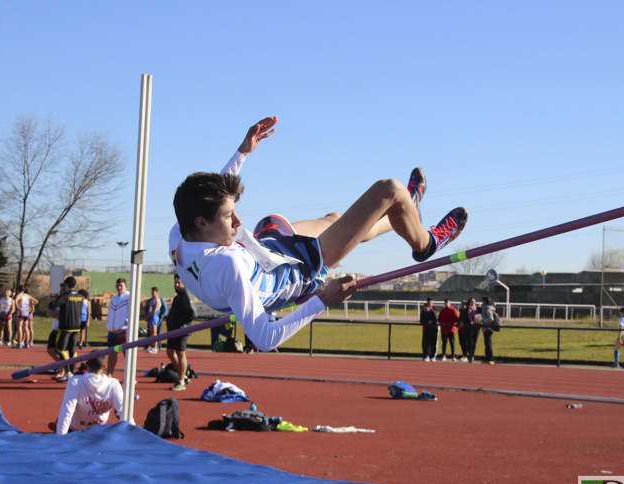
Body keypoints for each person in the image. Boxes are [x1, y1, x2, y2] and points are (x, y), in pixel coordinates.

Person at [168, 116, 468, 353]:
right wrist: (322, 300)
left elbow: (214, 192)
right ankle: (426, 242)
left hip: (267, 248)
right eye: (228, 217)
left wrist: (242, 152)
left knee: (335, 219)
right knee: (390, 189)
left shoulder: (179, 233)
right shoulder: (226, 267)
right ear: (202, 223)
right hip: (299, 268)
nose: (237, 220)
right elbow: (264, 339)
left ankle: (406, 211)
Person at [54, 354, 123, 435]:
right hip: (99, 429)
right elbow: (123, 411)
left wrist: (60, 437)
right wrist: (134, 436)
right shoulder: (114, 384)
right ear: (104, 367)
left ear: (86, 365)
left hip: (76, 429)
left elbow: (67, 411)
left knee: (60, 421)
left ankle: (58, 426)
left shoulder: (75, 381)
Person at [48, 276, 84, 382]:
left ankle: (68, 372)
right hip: (76, 326)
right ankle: (72, 372)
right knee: (73, 350)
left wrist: (53, 301)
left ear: (66, 285)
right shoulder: (80, 296)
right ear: (75, 285)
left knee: (61, 349)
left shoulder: (65, 296)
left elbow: (54, 304)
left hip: (66, 326)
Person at [165, 274, 196, 391]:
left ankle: (181, 381)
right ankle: (184, 375)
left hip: (181, 330)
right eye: (175, 282)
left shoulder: (186, 296)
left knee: (180, 354)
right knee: (169, 352)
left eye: (179, 282)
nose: (177, 285)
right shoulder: (178, 297)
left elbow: (193, 314)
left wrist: (180, 324)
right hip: (173, 331)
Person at [105, 278, 129, 378]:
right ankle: (109, 375)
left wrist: (127, 322)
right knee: (111, 353)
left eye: (121, 285)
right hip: (112, 330)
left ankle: (129, 376)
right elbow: (110, 312)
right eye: (118, 285)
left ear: (125, 286)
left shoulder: (129, 296)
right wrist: (108, 323)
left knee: (127, 354)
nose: (119, 287)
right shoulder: (114, 298)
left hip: (123, 330)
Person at [480, 297, 498, 364]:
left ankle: (490, 358)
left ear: (485, 301)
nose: (482, 302)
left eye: (483, 301)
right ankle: (487, 357)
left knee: (488, 344)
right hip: (485, 328)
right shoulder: (485, 308)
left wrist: (482, 320)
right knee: (486, 343)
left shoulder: (488, 309)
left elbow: (491, 319)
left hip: (488, 328)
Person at [145, 287, 162, 354]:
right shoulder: (152, 300)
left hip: (154, 317)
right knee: (151, 333)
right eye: (151, 292)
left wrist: (148, 317)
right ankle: (152, 347)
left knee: (154, 333)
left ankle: (155, 347)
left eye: (153, 292)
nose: (152, 293)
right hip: (150, 317)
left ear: (157, 292)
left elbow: (154, 311)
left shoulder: (157, 300)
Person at [466, 298, 481, 363]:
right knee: (469, 342)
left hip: (477, 327)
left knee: (474, 342)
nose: (473, 303)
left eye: (474, 301)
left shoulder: (477, 309)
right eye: (471, 301)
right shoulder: (467, 309)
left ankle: (472, 355)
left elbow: (480, 316)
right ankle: (470, 355)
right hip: (470, 327)